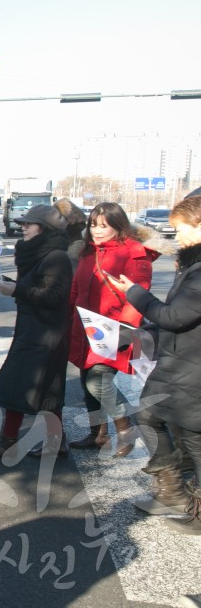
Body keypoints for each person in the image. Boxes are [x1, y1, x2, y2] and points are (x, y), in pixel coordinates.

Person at [107, 196, 201, 529]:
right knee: (148, 412)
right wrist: (144, 331)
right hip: (177, 363)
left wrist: (134, 293)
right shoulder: (191, 265)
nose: (178, 237)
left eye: (182, 230)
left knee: (193, 437)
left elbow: (175, 315)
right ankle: (171, 490)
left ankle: (193, 505)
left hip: (192, 366)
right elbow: (177, 316)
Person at [67, 203, 158, 456]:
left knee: (99, 382)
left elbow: (139, 295)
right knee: (87, 383)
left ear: (119, 226)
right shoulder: (87, 252)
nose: (96, 231)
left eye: (103, 226)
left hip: (114, 330)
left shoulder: (134, 252)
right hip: (86, 329)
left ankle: (125, 428)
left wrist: (125, 329)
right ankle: (97, 434)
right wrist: (68, 317)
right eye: (93, 225)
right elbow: (76, 288)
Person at [0, 204, 72, 459]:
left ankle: (9, 441)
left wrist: (17, 290)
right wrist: (8, 284)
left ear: (44, 228)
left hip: (47, 335)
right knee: (41, 391)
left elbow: (54, 296)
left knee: (28, 389)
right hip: (33, 330)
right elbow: (32, 287)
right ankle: (55, 442)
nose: (22, 227)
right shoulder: (37, 253)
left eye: (28, 224)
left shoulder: (56, 257)